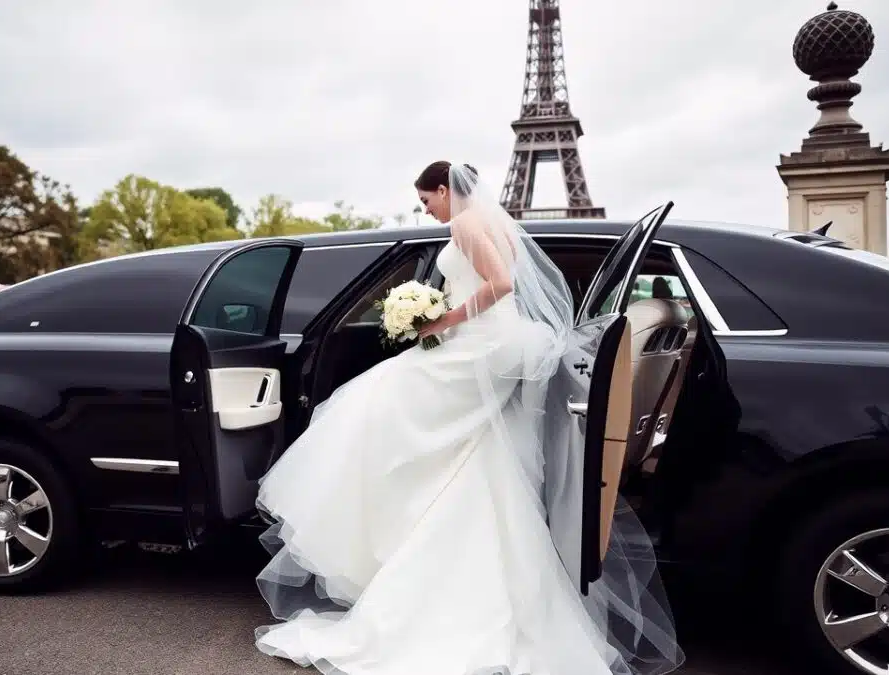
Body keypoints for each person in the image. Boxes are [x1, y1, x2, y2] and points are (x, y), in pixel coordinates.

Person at [252, 161, 682, 675]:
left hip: (483, 343)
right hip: (501, 343)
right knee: (475, 450)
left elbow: (499, 284)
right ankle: (420, 518)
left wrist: (440, 319)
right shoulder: (497, 223)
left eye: (426, 200)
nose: (426, 209)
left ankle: (390, 507)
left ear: (443, 189)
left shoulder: (466, 222)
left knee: (375, 398)